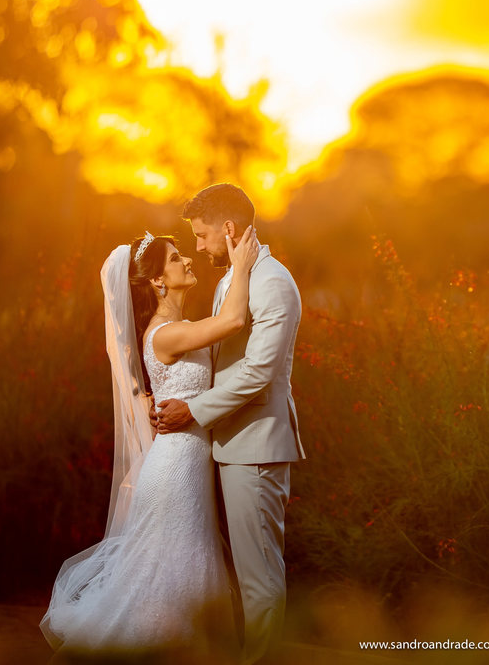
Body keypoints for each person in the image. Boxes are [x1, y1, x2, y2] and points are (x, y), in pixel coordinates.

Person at [41, 225, 260, 652]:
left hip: (188, 470)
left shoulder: (180, 327)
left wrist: (147, 397)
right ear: (158, 280)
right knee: (164, 587)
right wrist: (240, 266)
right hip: (174, 474)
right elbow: (233, 320)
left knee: (180, 579)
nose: (188, 259)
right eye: (176, 258)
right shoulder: (164, 334)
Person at [153, 183, 306, 664]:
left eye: (201, 236)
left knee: (260, 578)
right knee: (245, 574)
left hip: (256, 445)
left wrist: (194, 410)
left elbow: (259, 372)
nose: (199, 247)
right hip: (229, 444)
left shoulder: (272, 282)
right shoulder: (233, 280)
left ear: (229, 228)